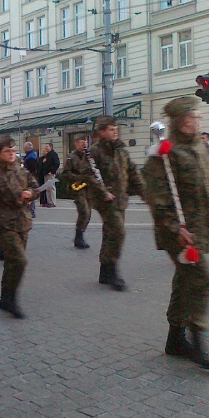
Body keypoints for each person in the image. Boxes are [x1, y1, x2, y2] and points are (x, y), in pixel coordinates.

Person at [143, 97, 209, 371]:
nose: (193, 122)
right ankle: (198, 341)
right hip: (179, 233)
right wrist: (176, 228)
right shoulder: (163, 153)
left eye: (196, 117)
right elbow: (157, 199)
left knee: (185, 280)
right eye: (188, 119)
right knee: (202, 280)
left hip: (201, 228)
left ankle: (175, 340)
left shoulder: (201, 148)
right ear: (176, 123)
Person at [0, 136, 39, 319]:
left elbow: (36, 188)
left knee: (12, 262)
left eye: (13, 150)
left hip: (23, 221)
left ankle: (6, 297)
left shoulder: (22, 170)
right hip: (3, 222)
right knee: (20, 260)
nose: (11, 154)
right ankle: (12, 299)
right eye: (7, 151)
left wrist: (30, 193)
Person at [88, 116, 145, 291]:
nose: (115, 132)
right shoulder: (94, 151)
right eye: (111, 129)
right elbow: (89, 175)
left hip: (120, 199)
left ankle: (105, 271)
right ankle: (112, 270)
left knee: (110, 232)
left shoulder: (121, 150)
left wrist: (146, 192)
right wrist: (103, 192)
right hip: (104, 200)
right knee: (118, 231)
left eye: (116, 129)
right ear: (102, 132)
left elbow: (133, 173)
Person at [59, 134, 92, 249]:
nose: (84, 144)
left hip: (89, 188)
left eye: (86, 142)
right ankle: (78, 237)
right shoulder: (71, 157)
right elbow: (65, 174)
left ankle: (80, 235)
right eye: (82, 142)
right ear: (76, 143)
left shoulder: (89, 156)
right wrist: (80, 178)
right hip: (78, 188)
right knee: (84, 212)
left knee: (88, 214)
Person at [23, 142, 38, 216]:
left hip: (30, 177)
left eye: (24, 148)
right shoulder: (30, 155)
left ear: (28, 148)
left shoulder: (31, 157)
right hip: (29, 176)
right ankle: (30, 210)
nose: (24, 149)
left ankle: (31, 211)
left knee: (30, 193)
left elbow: (32, 169)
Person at [42, 143, 59, 207]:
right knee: (47, 188)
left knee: (51, 187)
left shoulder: (53, 154)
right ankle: (49, 201)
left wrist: (52, 171)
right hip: (46, 173)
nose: (46, 148)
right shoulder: (48, 155)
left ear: (51, 147)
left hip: (50, 173)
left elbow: (56, 163)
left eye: (47, 146)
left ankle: (53, 202)